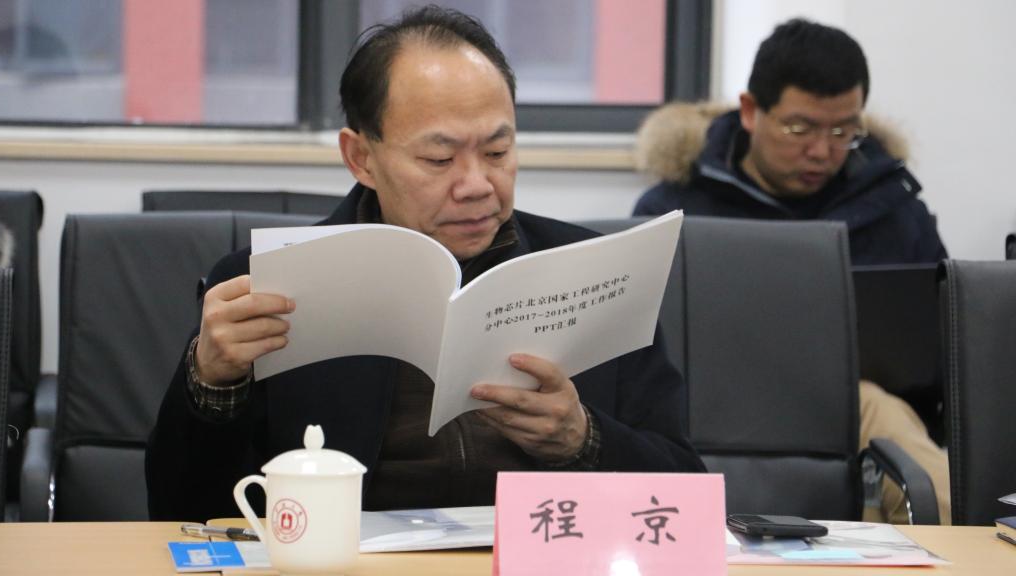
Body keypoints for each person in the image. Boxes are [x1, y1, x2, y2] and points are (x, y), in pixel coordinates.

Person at [146, 5, 704, 522]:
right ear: (361, 157)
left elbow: (686, 497)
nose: (476, 184)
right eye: (439, 158)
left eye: (498, 151)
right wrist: (210, 383)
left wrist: (583, 440)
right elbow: (181, 513)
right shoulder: (264, 286)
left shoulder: (598, 272)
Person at [633, 19, 950, 524]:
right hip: (707, 396)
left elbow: (943, 342)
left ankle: (959, 548)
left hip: (854, 400)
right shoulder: (672, 207)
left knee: (923, 469)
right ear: (751, 111)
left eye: (843, 132)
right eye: (799, 129)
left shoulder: (894, 210)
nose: (821, 151)